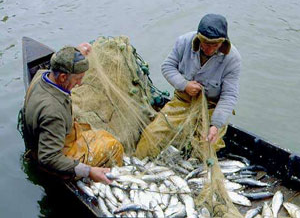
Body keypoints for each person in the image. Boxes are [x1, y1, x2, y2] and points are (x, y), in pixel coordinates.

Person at [135, 13, 241, 159]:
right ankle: (139, 160)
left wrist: (215, 125)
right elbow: (167, 66)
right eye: (205, 44)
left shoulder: (232, 59)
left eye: (214, 45)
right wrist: (184, 85)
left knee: (207, 147)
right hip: (183, 100)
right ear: (198, 39)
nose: (209, 50)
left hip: (211, 107)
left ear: (223, 43)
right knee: (152, 135)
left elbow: (229, 96)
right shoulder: (184, 42)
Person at [23, 43, 124, 184]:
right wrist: (89, 171)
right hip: (58, 160)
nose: (80, 83)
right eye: (77, 79)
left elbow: (58, 59)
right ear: (63, 77)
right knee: (114, 146)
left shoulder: (41, 75)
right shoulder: (53, 112)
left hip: (44, 140)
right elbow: (48, 158)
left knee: (101, 135)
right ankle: (109, 181)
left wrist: (75, 54)